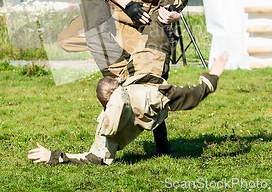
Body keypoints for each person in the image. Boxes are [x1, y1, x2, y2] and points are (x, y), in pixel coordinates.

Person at [60, 0, 203, 155]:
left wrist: (173, 13)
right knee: (113, 76)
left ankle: (161, 144)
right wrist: (128, 5)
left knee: (152, 85)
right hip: (122, 19)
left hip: (153, 26)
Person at [27, 51, 228, 165]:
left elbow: (94, 159)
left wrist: (53, 156)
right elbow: (192, 96)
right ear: (120, 84)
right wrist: (214, 74)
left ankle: (163, 146)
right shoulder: (149, 94)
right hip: (151, 95)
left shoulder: (107, 127)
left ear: (100, 104)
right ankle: (163, 147)